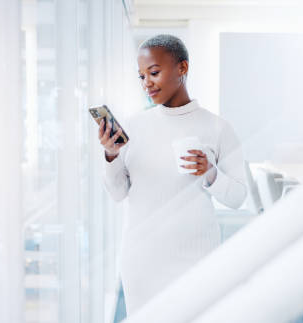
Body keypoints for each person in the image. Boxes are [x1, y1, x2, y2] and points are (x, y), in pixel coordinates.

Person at [99, 34, 247, 315]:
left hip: (197, 257)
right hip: (142, 258)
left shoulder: (218, 128)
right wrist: (111, 156)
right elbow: (118, 193)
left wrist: (210, 172)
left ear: (182, 68)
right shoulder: (132, 127)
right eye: (141, 76)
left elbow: (238, 197)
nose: (147, 84)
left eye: (154, 72)